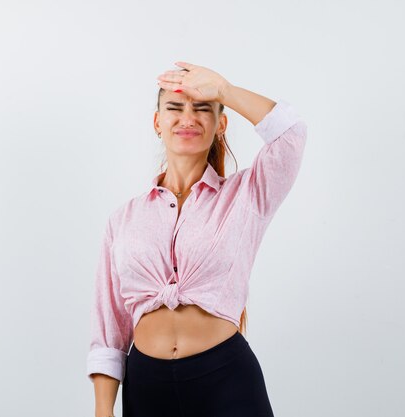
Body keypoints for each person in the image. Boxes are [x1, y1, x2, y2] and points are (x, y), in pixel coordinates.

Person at [86, 61, 308, 417]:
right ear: (157, 123)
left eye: (202, 109)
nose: (188, 118)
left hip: (227, 383)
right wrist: (103, 411)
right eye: (175, 108)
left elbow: (291, 134)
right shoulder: (123, 219)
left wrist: (224, 91)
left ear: (220, 125)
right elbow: (109, 327)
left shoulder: (246, 195)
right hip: (146, 388)